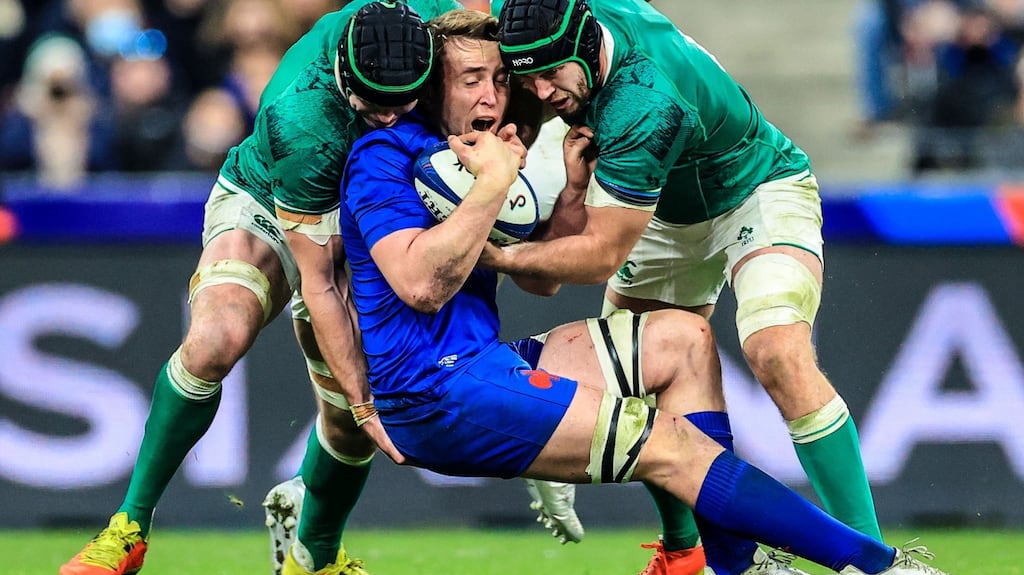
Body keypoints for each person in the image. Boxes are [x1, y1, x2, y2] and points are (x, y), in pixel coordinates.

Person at [337, 8, 951, 575]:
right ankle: (879, 565)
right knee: (669, 444)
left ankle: (724, 562)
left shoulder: (616, 105)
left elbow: (544, 278)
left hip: (744, 186)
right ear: (426, 84)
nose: (507, 96)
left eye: (502, 79)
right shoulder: (395, 157)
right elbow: (420, 285)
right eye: (473, 79)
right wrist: (497, 187)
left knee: (687, 344)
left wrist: (568, 192)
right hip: (440, 389)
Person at [485, 0, 888, 573]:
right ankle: (684, 555)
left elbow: (600, 253)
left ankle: (874, 559)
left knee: (776, 350)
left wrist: (495, 252)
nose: (542, 90)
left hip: (753, 186)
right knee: (636, 384)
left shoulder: (643, 99)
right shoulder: (547, 19)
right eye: (529, 75)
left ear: (585, 45)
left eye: (552, 73)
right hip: (664, 209)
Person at [58, 3, 444, 575]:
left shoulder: (428, 32)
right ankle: (129, 527)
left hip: (376, 205)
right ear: (343, 76)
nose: (388, 122)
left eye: (402, 106)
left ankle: (315, 557)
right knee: (219, 336)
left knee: (346, 412)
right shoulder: (302, 117)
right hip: (274, 197)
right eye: (373, 108)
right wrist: (364, 399)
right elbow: (318, 280)